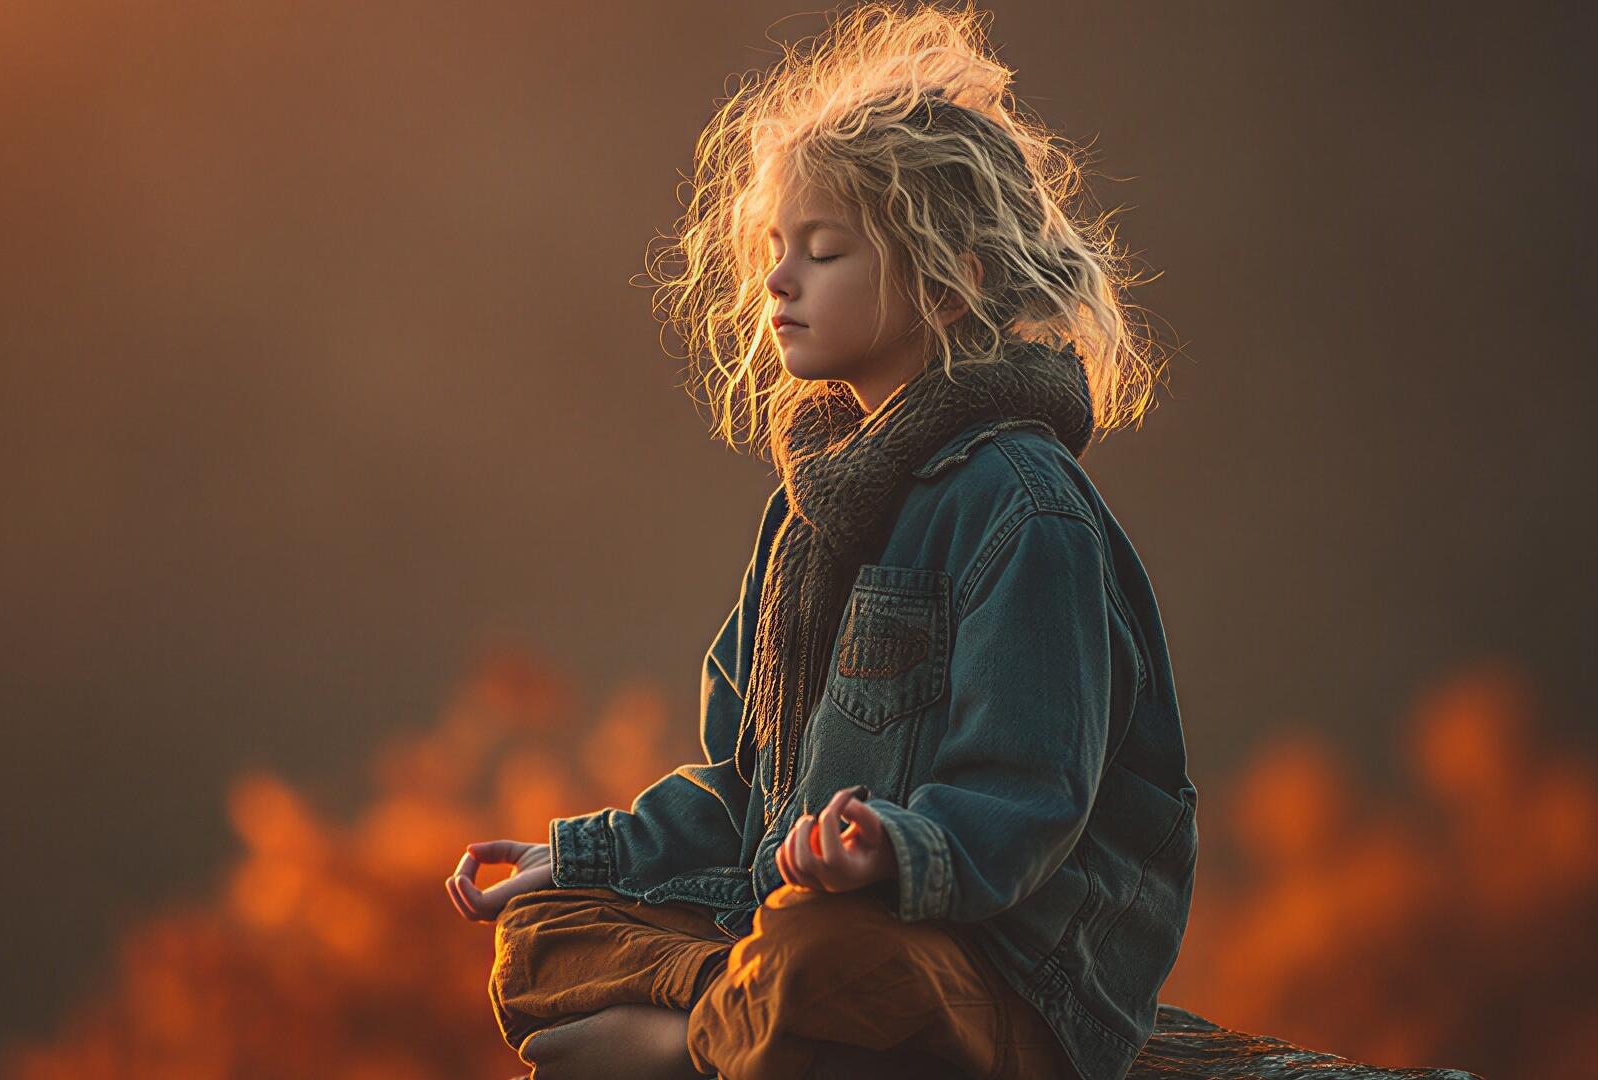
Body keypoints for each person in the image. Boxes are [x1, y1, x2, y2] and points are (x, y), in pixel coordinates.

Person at [444, 5, 1196, 1079]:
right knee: (543, 931)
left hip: (994, 975)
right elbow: (742, 786)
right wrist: (573, 853)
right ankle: (722, 1025)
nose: (778, 282)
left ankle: (688, 1043)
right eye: (775, 251)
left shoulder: (1026, 505)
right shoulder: (809, 508)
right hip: (791, 936)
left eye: (825, 251)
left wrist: (889, 849)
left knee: (822, 955)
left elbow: (1032, 796)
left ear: (950, 278)